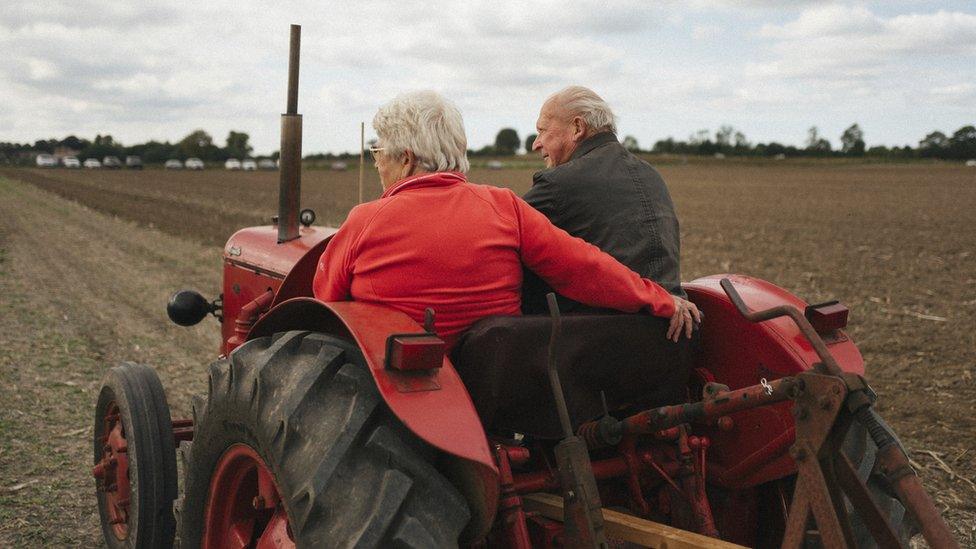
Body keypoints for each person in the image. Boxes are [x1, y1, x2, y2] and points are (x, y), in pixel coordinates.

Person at [312, 90, 700, 351]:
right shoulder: (504, 206)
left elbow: (326, 304)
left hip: (402, 387)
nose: (376, 161)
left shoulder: (365, 219)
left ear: (407, 158)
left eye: (379, 151)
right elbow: (583, 267)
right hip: (498, 380)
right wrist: (658, 297)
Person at [522, 86, 685, 315]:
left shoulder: (559, 182)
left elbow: (505, 230)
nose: (536, 143)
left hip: (598, 332)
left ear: (577, 128)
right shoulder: (651, 174)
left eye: (543, 130)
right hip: (670, 325)